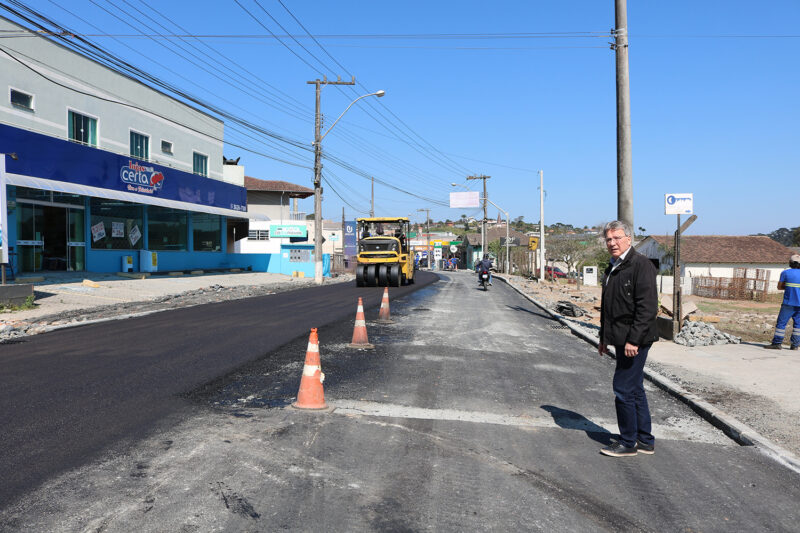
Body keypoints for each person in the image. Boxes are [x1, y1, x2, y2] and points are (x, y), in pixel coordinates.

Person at [598, 220, 659, 458]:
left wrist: (634, 340)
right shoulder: (613, 266)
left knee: (622, 388)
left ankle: (628, 442)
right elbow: (608, 307)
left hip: (636, 338)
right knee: (634, 389)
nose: (612, 243)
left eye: (616, 238)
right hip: (620, 337)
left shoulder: (640, 265)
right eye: (609, 239)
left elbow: (647, 307)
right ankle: (644, 440)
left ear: (628, 239)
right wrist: (604, 338)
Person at [765, 254, 800, 350]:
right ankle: (795, 345)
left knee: (781, 324)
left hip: (788, 303)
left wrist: (788, 287)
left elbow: (779, 287)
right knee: (798, 325)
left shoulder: (785, 273)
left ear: (791, 263)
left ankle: (777, 343)